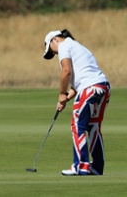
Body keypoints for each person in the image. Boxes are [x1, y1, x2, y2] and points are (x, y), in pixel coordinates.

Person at [43, 29, 111, 176]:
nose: (54, 53)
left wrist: (61, 93)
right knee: (93, 127)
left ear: (55, 39)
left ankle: (80, 165)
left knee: (77, 125)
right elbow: (78, 83)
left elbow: (66, 71)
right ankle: (97, 167)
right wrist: (66, 98)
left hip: (89, 89)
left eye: (51, 49)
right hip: (103, 87)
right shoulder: (78, 47)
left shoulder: (63, 45)